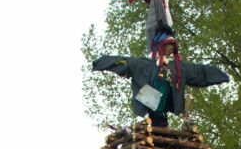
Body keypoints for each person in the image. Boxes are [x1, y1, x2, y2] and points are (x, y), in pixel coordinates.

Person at [92, 30, 229, 128]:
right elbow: (127, 63)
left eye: (172, 46)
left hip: (165, 104)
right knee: (153, 108)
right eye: (168, 45)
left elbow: (199, 72)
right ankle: (155, 121)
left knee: (161, 121)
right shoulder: (147, 64)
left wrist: (219, 75)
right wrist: (103, 63)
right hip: (151, 101)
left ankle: (160, 124)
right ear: (161, 46)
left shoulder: (178, 68)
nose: (170, 49)